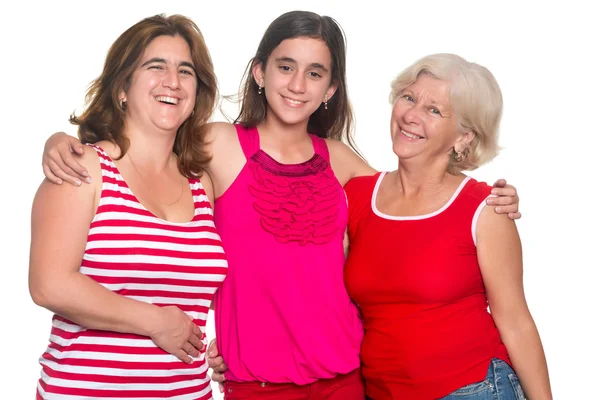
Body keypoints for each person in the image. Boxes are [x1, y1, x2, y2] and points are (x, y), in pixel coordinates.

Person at [37, 11, 521, 399]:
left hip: (347, 380)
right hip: (254, 385)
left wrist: (485, 195)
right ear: (259, 72)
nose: (297, 85)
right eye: (285, 66)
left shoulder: (343, 164)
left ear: (330, 89)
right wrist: (63, 141)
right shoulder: (217, 147)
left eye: (315, 74)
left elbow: (415, 198)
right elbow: (146, 145)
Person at [29, 14, 227, 399]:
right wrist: (157, 322)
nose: (172, 81)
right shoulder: (84, 167)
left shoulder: (200, 183)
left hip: (189, 392)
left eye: (185, 71)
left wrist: (234, 342)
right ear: (122, 86)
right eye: (156, 67)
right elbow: (49, 284)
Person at [343, 53, 552, 399]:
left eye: (434, 110)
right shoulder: (357, 194)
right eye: (409, 98)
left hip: (473, 389)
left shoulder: (485, 209)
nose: (411, 115)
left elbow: (515, 322)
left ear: (463, 137)